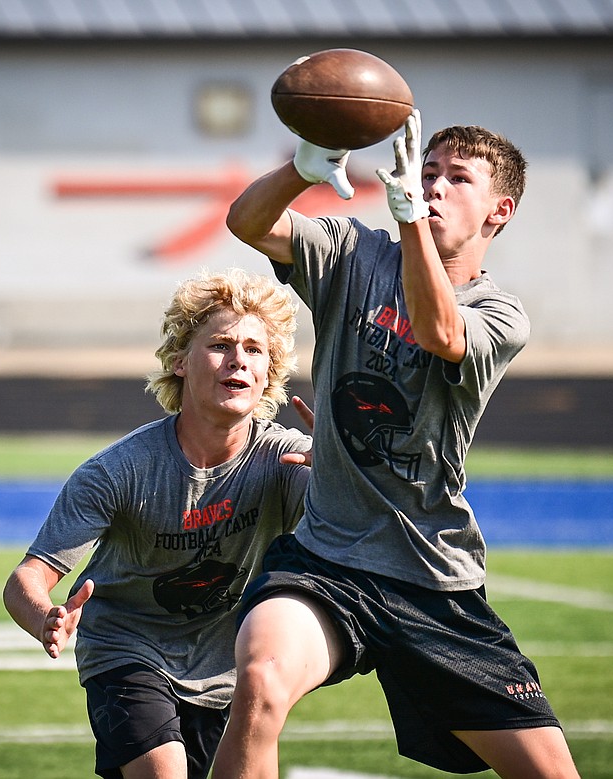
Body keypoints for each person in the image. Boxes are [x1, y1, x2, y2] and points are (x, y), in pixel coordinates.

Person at [211, 111, 581, 778]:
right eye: (426, 172)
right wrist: (303, 168)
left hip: (431, 579)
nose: (433, 186)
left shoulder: (502, 313)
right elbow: (247, 222)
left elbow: (440, 330)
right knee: (260, 679)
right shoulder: (354, 252)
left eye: (455, 179)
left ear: (500, 210)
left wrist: (410, 219)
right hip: (325, 562)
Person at [3, 268, 314, 779]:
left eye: (255, 350)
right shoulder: (119, 470)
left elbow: (357, 521)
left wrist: (343, 470)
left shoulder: (288, 460)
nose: (239, 359)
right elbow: (26, 579)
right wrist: (45, 617)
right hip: (125, 649)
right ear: (179, 363)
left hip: (225, 670)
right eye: (220, 344)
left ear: (267, 375)